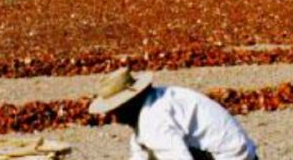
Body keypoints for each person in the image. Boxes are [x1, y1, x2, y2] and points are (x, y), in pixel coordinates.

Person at [89, 68, 259, 160]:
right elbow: (140, 154)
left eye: (116, 110)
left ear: (129, 104)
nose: (114, 117)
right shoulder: (157, 100)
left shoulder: (153, 120)